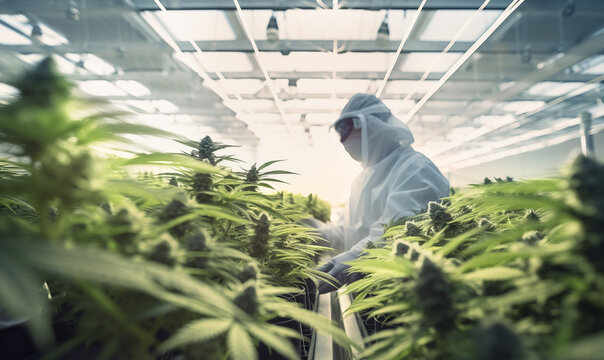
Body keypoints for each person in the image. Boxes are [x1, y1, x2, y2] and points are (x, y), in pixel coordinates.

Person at [309, 93, 450, 293]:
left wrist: (355, 258)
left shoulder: (415, 169)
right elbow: (349, 231)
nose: (343, 140)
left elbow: (400, 230)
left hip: (403, 294)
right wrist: (316, 232)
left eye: (346, 128)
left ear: (371, 125)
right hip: (365, 293)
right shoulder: (362, 179)